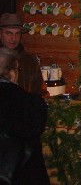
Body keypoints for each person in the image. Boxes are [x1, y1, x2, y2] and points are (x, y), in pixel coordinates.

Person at [0, 47, 50, 185]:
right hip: (24, 175)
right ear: (11, 72)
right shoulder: (29, 101)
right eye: (17, 70)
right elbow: (36, 126)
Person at [0, 13, 46, 96]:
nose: (13, 38)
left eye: (17, 33)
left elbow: (39, 91)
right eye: (9, 33)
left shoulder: (30, 61)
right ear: (0, 34)